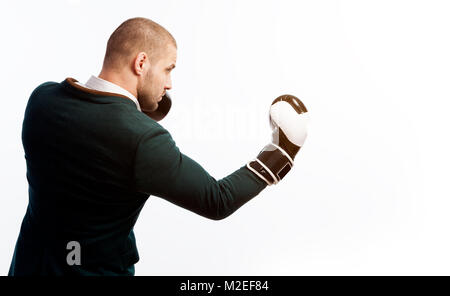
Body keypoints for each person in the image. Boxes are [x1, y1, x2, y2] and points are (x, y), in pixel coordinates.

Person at [8, 17, 308, 276]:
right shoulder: (143, 140)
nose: (169, 84)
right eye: (168, 69)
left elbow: (89, 131)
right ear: (141, 63)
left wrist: (133, 108)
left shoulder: (41, 100)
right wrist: (283, 151)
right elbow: (218, 200)